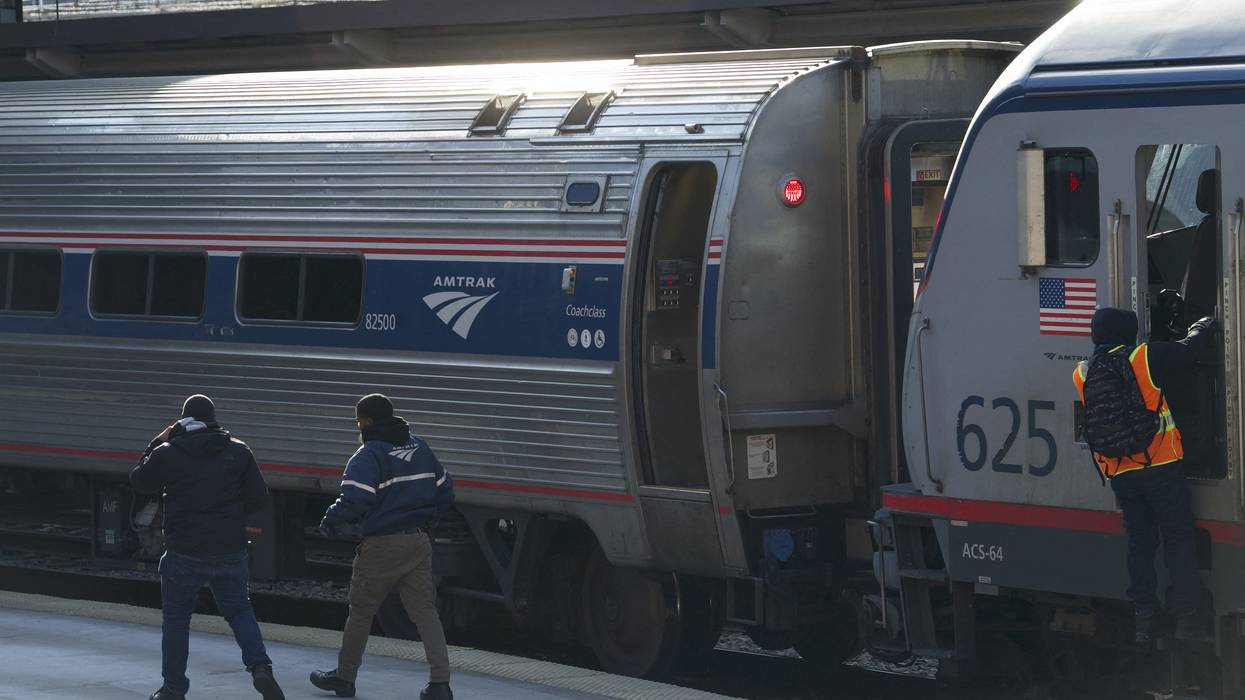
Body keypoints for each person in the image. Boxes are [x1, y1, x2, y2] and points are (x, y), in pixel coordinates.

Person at [1072, 307, 1215, 643]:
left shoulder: (1082, 372)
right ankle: (1187, 619)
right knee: (1178, 537)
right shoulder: (1146, 356)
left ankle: (1144, 618)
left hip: (1120, 473)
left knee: (1141, 541)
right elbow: (1191, 349)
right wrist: (1204, 323)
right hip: (1161, 466)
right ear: (1128, 333)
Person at [130, 394, 285, 700]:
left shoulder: (168, 452)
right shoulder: (239, 451)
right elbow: (259, 499)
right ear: (213, 418)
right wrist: (228, 514)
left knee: (176, 620)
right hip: (229, 547)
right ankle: (260, 668)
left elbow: (139, 482)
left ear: (184, 420)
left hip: (183, 550)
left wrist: (155, 442)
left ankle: (173, 689)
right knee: (240, 610)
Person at [311, 393, 455, 700]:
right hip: (418, 541)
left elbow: (355, 499)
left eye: (358, 420)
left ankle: (345, 679)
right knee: (426, 613)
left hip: (382, 544)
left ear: (367, 421)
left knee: (361, 611)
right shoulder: (420, 446)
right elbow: (445, 490)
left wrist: (330, 521)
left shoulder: (369, 454)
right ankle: (440, 684)